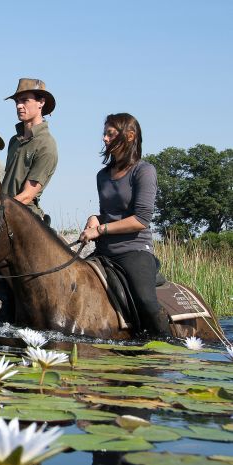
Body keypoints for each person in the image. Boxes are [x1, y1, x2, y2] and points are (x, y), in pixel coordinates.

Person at [79, 113, 170, 335]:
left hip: (134, 251)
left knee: (145, 300)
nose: (104, 138)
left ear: (129, 136)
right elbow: (108, 214)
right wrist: (95, 219)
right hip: (103, 252)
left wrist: (100, 229)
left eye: (110, 134)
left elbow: (141, 219)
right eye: (104, 133)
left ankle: (167, 348)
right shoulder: (102, 175)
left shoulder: (144, 171)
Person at [2, 78, 58, 223]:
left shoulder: (46, 145)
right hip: (5, 212)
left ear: (41, 102)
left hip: (26, 218)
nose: (19, 106)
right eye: (17, 102)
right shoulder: (14, 141)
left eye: (25, 100)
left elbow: (27, 196)